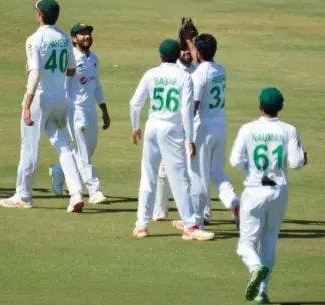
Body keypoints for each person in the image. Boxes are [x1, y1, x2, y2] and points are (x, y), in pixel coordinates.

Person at [0, 0, 84, 212]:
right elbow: (72, 70)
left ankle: (24, 196)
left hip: (40, 98)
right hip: (60, 98)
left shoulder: (35, 39)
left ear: (40, 15)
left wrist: (27, 104)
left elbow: (36, 74)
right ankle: (76, 194)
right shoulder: (65, 38)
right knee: (64, 146)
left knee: (29, 147)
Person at [130, 39, 214, 241]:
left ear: (160, 55)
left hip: (152, 126)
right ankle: (190, 226)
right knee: (180, 179)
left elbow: (135, 103)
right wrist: (190, 139)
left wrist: (135, 128)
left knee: (148, 176)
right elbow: (186, 111)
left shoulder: (151, 74)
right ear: (178, 55)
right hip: (172, 129)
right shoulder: (184, 76)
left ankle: (141, 225)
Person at [230, 87, 306, 304]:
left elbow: (235, 161)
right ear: (280, 107)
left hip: (254, 191)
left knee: (245, 244)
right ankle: (262, 292)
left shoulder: (248, 129)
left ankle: (255, 268)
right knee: (269, 242)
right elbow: (296, 162)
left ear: (260, 106)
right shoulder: (288, 130)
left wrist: (248, 167)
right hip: (278, 192)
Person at [173, 19, 240, 230]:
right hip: (220, 127)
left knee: (197, 175)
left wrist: (188, 137)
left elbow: (193, 108)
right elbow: (199, 55)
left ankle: (195, 221)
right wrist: (189, 39)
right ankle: (234, 203)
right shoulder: (221, 70)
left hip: (203, 129)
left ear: (198, 55)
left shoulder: (198, 75)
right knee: (217, 173)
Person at [49, 23, 111, 205]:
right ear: (74, 39)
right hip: (74, 110)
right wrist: (61, 109)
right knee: (83, 153)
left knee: (87, 150)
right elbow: (63, 86)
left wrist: (104, 110)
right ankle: (94, 190)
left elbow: (97, 86)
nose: (87, 37)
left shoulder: (94, 58)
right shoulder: (71, 59)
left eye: (89, 34)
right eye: (82, 34)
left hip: (90, 110)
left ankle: (59, 170)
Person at [152, 44, 196, 222]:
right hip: (173, 129)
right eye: (182, 50)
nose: (187, 53)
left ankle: (202, 212)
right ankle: (161, 211)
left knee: (194, 173)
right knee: (164, 171)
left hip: (192, 127)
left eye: (189, 50)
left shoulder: (196, 70)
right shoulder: (174, 71)